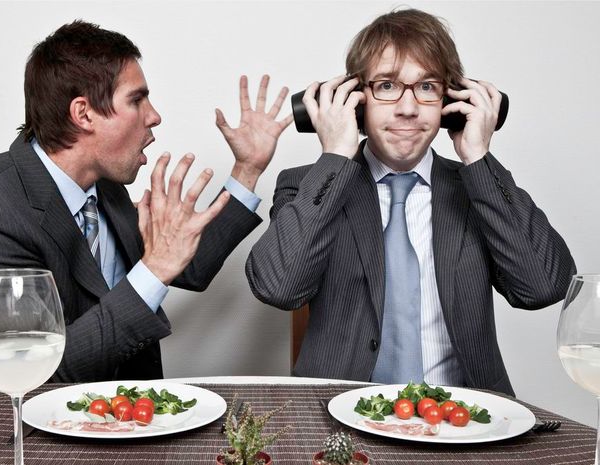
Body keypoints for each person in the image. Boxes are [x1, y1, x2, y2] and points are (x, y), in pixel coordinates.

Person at [0, 20, 292, 417]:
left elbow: (185, 266)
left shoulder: (104, 188)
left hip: (95, 426)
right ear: (84, 113)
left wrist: (247, 170)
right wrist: (155, 267)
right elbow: (41, 371)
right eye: (137, 100)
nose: (154, 116)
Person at [245, 8, 575, 396]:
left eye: (427, 86)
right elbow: (278, 288)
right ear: (356, 100)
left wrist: (479, 159)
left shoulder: (476, 187)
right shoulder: (307, 185)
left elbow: (542, 287)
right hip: (340, 423)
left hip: (462, 421)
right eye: (386, 86)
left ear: (450, 101)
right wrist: (335, 156)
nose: (407, 108)